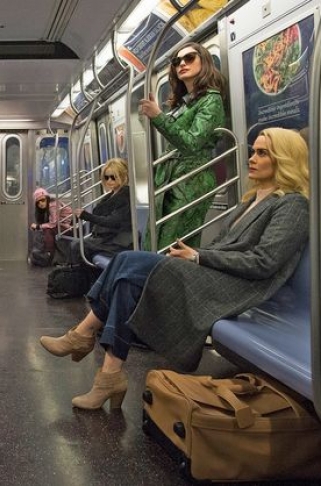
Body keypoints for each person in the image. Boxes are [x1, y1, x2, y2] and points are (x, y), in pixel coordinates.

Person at [39, 128, 309, 410]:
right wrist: (195, 256)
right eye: (254, 151)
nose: (252, 158)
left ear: (284, 158)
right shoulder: (251, 201)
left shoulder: (293, 205)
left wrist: (199, 257)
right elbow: (222, 245)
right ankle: (109, 375)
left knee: (127, 261)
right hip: (216, 275)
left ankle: (82, 337)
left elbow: (264, 262)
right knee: (127, 278)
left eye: (262, 153)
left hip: (236, 288)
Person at [139, 42, 226, 250]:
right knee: (156, 242)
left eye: (189, 58)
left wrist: (158, 117)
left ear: (204, 61)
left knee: (173, 246)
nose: (182, 64)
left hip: (192, 179)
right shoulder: (185, 103)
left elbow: (192, 143)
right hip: (172, 178)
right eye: (177, 61)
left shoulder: (211, 100)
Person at [74, 158, 133, 261]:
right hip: (106, 239)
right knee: (76, 245)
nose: (109, 181)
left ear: (122, 176)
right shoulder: (111, 195)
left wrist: (87, 216)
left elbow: (112, 221)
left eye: (113, 177)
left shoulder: (125, 196)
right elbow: (99, 213)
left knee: (78, 246)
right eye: (106, 177)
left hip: (117, 241)